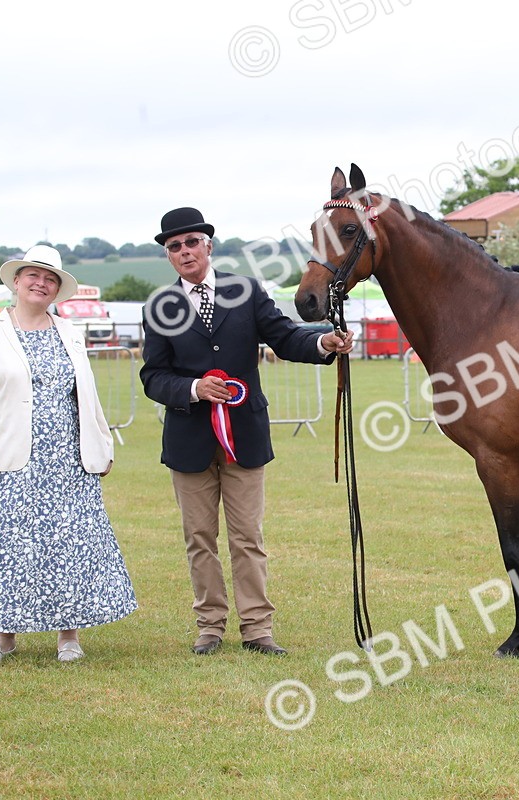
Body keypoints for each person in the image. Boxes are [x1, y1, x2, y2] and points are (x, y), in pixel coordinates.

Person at [141, 208, 354, 656]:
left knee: (247, 538)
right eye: (174, 247)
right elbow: (153, 377)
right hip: (189, 441)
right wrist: (194, 388)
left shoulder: (246, 291)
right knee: (199, 539)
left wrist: (321, 341)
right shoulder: (159, 308)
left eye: (191, 242)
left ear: (208, 245)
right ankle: (210, 627)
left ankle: (257, 629)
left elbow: (284, 337)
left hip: (245, 437)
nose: (185, 252)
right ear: (168, 255)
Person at [0, 245, 137, 663]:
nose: (40, 283)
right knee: (6, 546)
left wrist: (101, 446)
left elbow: (85, 397)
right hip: (6, 460)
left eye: (50, 278)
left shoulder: (70, 334)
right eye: (33, 275)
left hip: (67, 462)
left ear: (57, 289)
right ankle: (3, 636)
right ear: (16, 281)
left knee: (68, 546)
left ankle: (68, 636)